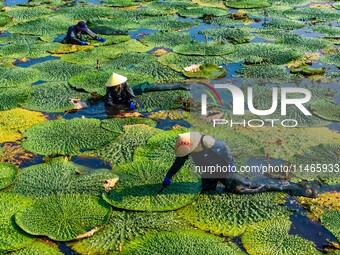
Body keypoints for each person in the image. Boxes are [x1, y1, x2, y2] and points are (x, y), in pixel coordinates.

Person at [161, 132, 320, 198]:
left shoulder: (207, 142)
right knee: (207, 190)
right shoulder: (188, 149)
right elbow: (178, 163)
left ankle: (291, 187)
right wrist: (169, 176)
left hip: (224, 171)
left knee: (245, 188)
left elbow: (225, 151)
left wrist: (230, 167)